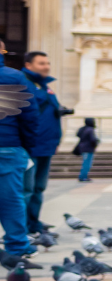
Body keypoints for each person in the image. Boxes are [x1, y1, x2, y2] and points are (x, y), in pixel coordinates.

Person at [18, 52, 62, 232]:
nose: (46, 67)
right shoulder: (24, 84)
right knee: (26, 189)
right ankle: (22, 227)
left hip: (46, 145)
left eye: (48, 63)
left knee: (38, 188)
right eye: (42, 63)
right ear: (28, 65)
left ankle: (34, 223)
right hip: (30, 145)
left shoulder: (45, 87)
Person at [0, 41, 32, 259]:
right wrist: (26, 145)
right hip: (7, 146)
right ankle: (17, 246)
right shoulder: (13, 76)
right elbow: (29, 116)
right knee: (11, 199)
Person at [72, 119, 98, 183]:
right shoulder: (90, 129)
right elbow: (92, 139)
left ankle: (83, 176)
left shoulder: (83, 129)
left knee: (85, 162)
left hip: (82, 147)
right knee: (87, 163)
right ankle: (83, 176)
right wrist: (95, 144)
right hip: (88, 148)